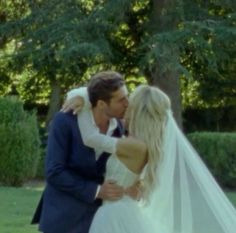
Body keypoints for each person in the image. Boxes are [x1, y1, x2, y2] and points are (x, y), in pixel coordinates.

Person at [65, 84, 236, 233]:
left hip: (114, 213)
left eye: (129, 103)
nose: (125, 105)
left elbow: (90, 138)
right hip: (120, 208)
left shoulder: (135, 146)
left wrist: (85, 100)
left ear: (138, 111)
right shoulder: (137, 143)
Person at [31, 71, 143, 233]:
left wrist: (137, 186)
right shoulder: (65, 121)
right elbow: (54, 171)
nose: (128, 103)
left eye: (127, 96)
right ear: (102, 104)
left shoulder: (120, 128)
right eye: (121, 100)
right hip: (63, 219)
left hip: (98, 221)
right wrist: (97, 191)